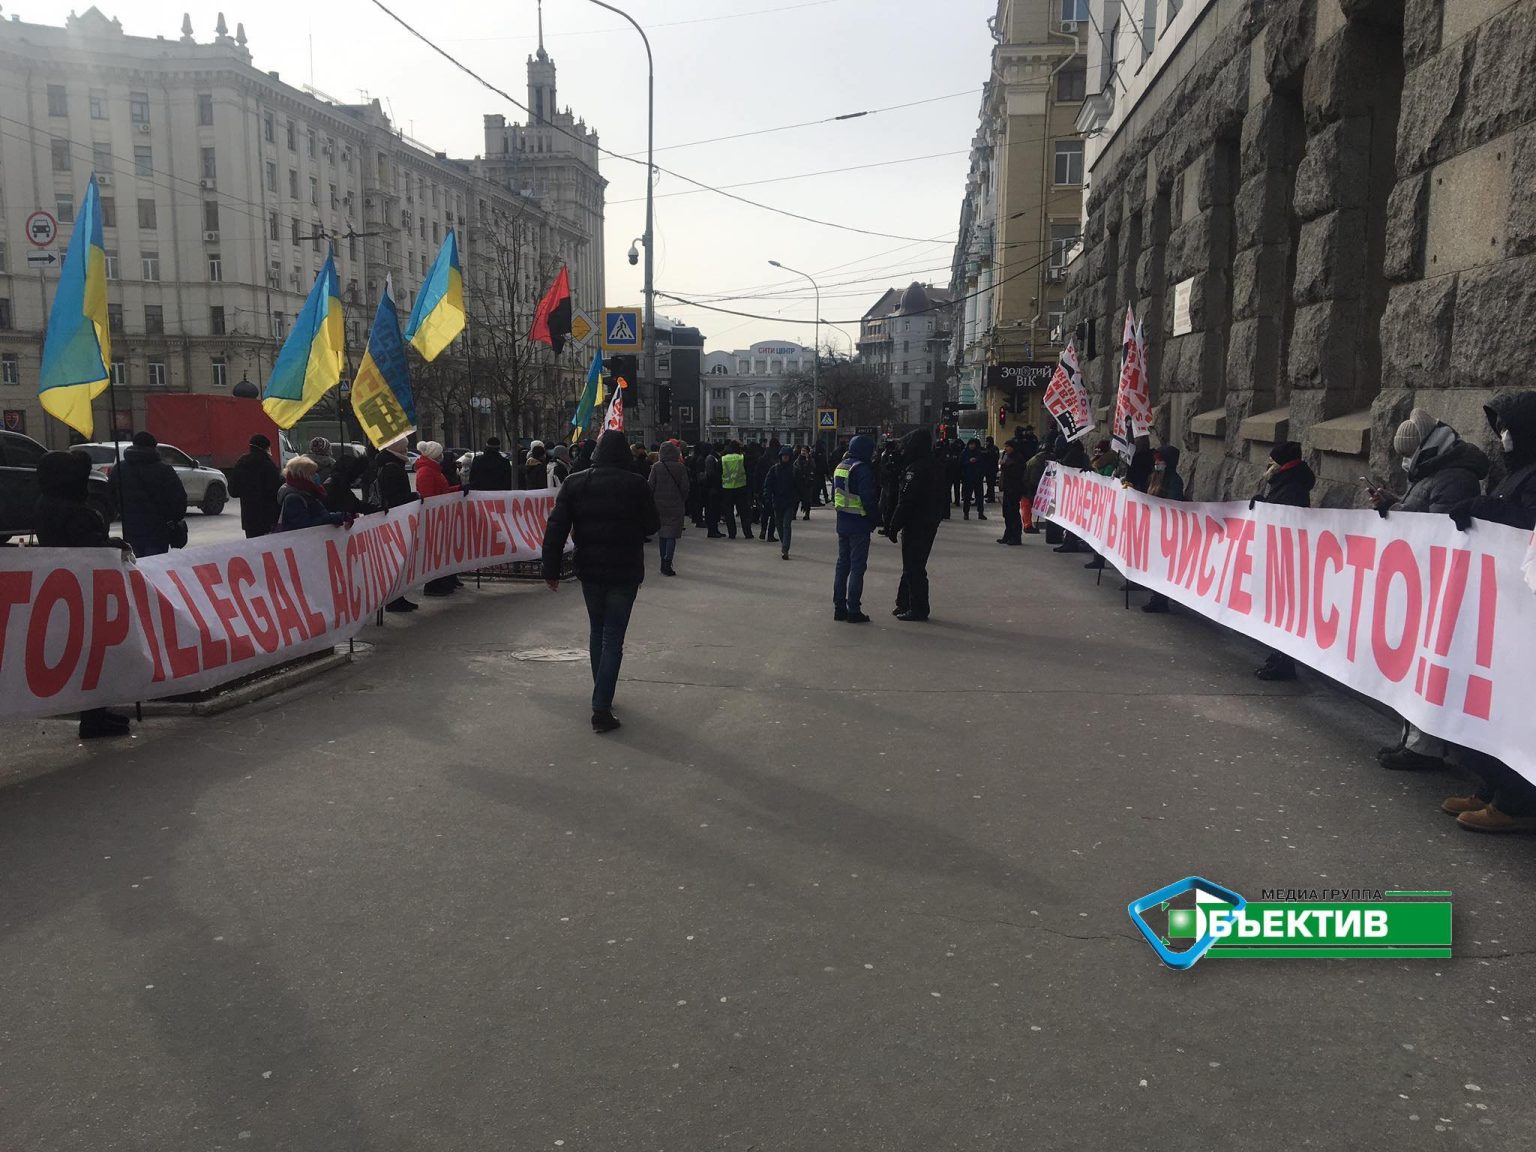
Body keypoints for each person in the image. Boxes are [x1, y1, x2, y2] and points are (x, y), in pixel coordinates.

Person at [1439, 391, 1536, 831]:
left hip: (1520, 611)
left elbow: (1525, 528)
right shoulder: (1517, 472)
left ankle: (1516, 803)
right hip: (1497, 608)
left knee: (1514, 705)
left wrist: (1486, 509)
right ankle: (1494, 786)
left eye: (1508, 427)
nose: (1503, 436)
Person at [541, 429, 661, 733]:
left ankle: (601, 691)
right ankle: (601, 704)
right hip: (624, 569)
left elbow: (556, 528)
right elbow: (652, 524)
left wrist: (551, 569)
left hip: (590, 569)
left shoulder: (575, 482)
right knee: (613, 638)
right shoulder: (636, 484)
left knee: (598, 630)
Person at [36, 450, 137, 739]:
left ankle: (95, 713)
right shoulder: (73, 511)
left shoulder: (47, 502)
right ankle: (93, 718)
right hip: (86, 591)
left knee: (88, 654)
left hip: (66, 589)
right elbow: (91, 547)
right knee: (94, 653)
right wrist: (113, 543)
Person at [1250, 440, 1315, 680]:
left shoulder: (1293, 485)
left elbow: (1285, 516)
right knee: (1277, 608)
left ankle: (1284, 661)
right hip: (1280, 554)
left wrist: (1265, 505)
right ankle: (1277, 655)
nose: (1269, 466)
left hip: (1287, 556)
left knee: (1284, 609)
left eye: (1272, 462)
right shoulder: (1286, 481)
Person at [886, 428, 945, 621]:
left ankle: (918, 607)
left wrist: (894, 525)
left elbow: (906, 501)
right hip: (929, 520)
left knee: (913, 566)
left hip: (917, 522)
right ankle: (904, 602)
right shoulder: (933, 464)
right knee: (912, 565)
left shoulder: (915, 469)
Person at [108, 431, 188, 557]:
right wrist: (172, 519)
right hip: (158, 530)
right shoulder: (164, 471)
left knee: (137, 567)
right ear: (153, 447)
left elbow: (110, 497)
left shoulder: (119, 469)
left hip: (130, 528)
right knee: (155, 567)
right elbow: (179, 501)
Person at [833, 433, 879, 623]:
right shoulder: (862, 469)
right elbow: (868, 499)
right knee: (857, 567)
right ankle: (853, 609)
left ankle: (839, 607)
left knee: (842, 565)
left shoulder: (840, 467)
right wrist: (876, 519)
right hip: (859, 524)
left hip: (842, 522)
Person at [376, 441, 420, 613]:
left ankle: (397, 597)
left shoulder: (388, 463)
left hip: (393, 516)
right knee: (396, 559)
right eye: (404, 447)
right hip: (395, 517)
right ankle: (394, 599)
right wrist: (413, 497)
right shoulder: (392, 467)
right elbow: (395, 497)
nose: (407, 450)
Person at [1142, 446, 1185, 613]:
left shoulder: (1174, 481)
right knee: (1153, 564)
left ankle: (1160, 599)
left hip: (1165, 528)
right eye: (1156, 460)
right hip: (1153, 527)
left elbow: (1174, 503)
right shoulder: (1154, 477)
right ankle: (1156, 596)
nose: (1157, 463)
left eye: (1160, 460)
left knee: (1161, 566)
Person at [413, 442, 460, 597]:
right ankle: (433, 584)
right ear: (434, 455)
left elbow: (442, 491)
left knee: (440, 550)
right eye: (440, 453)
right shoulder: (426, 471)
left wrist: (459, 489)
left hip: (440, 516)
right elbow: (430, 497)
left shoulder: (433, 470)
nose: (442, 456)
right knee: (435, 552)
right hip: (434, 518)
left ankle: (441, 582)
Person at [276, 455, 354, 532]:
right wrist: (334, 518)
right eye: (313, 473)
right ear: (303, 475)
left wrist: (337, 518)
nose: (316, 476)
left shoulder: (308, 493)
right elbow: (304, 525)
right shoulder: (293, 498)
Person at [648, 441, 690, 576]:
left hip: (658, 505)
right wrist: (681, 499)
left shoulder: (656, 467)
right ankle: (668, 561)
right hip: (675, 505)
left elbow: (650, 486)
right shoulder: (680, 467)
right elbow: (685, 487)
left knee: (662, 534)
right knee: (671, 535)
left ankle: (662, 561)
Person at [230, 433, 282, 538]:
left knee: (254, 550)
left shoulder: (241, 463)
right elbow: (277, 490)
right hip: (268, 519)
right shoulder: (269, 465)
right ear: (266, 448)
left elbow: (233, 491)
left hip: (249, 520)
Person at [762, 445, 800, 560]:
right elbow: (767, 484)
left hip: (789, 502)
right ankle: (784, 543)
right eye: (783, 456)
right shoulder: (774, 469)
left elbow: (799, 486)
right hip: (777, 502)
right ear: (780, 456)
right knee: (779, 525)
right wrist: (767, 496)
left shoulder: (794, 470)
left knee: (786, 525)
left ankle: (785, 549)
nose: (785, 458)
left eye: (787, 456)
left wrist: (798, 499)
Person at [325, 453, 378, 518]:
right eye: (359, 476)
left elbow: (355, 504)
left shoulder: (335, 483)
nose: (360, 479)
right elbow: (353, 505)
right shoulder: (338, 487)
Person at [720, 440, 753, 539]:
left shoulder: (723, 459)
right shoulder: (742, 458)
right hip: (741, 488)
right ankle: (747, 533)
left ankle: (732, 534)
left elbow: (719, 473)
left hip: (727, 488)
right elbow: (749, 473)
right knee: (744, 512)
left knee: (729, 513)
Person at [997, 439, 1026, 544]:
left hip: (1014, 489)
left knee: (1013, 513)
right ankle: (1008, 534)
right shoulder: (1007, 456)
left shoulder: (1018, 458)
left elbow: (1016, 474)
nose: (1005, 449)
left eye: (1007, 447)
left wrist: (1004, 466)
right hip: (1007, 488)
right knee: (1007, 513)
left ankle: (1016, 536)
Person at [960, 438, 987, 520]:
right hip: (967, 478)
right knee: (967, 497)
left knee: (979, 497)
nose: (972, 446)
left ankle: (980, 513)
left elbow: (983, 464)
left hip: (978, 478)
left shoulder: (979, 453)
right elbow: (961, 464)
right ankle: (966, 513)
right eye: (971, 444)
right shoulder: (964, 453)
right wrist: (969, 462)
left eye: (973, 444)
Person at [703, 443, 726, 537]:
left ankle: (715, 530)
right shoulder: (711, 458)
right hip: (712, 488)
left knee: (716, 510)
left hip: (715, 488)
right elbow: (711, 474)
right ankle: (712, 531)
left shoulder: (715, 457)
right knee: (712, 510)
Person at [794, 445, 817, 520]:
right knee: (796, 499)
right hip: (799, 482)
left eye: (805, 451)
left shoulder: (810, 460)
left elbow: (813, 467)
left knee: (807, 499)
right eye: (802, 451)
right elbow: (795, 467)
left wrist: (807, 459)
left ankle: (807, 514)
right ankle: (794, 514)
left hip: (808, 483)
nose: (803, 452)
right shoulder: (798, 460)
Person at [983, 435, 1001, 504]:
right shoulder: (991, 448)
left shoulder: (992, 449)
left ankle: (991, 497)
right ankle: (989, 494)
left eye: (987, 441)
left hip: (991, 469)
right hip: (990, 469)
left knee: (991, 484)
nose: (986, 443)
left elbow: (992, 458)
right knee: (989, 483)